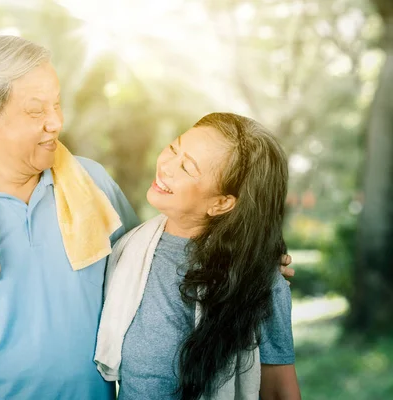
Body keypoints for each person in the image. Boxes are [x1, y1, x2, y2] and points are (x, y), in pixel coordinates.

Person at [0, 36, 294, 399]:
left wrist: (256, 255)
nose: (56, 122)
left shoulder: (92, 183)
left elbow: (156, 255)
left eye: (56, 104)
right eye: (36, 111)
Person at [95, 112, 301, 400]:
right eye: (174, 147)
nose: (167, 166)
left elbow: (279, 389)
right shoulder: (127, 246)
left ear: (221, 203)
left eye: (187, 168)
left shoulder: (259, 281)